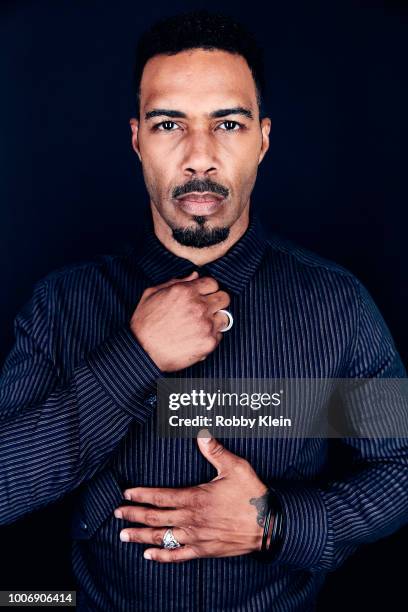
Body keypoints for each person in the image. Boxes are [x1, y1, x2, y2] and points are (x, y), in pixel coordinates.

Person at [1, 9, 407, 612]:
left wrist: (276, 525)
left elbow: (400, 466)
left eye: (228, 124)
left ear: (263, 140)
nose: (199, 157)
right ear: (137, 139)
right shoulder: (63, 305)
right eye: (169, 124)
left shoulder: (335, 304)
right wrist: (133, 359)